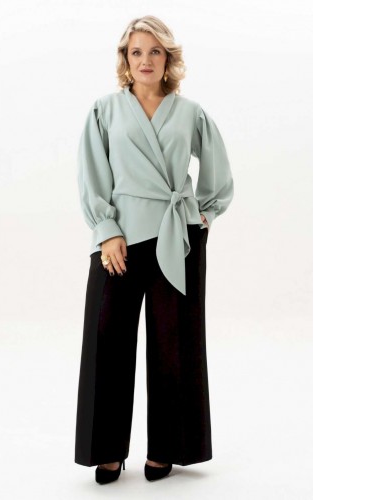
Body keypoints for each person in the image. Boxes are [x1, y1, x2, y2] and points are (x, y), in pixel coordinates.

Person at [74, 15, 235, 484]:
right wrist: (106, 228)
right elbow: (92, 174)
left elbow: (218, 173)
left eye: (155, 51)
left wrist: (204, 213)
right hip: (119, 240)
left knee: (175, 345)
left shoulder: (190, 113)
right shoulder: (105, 110)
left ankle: (168, 447)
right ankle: (106, 450)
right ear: (126, 59)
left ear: (168, 59)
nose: (145, 60)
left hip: (177, 236)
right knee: (107, 341)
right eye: (136, 52)